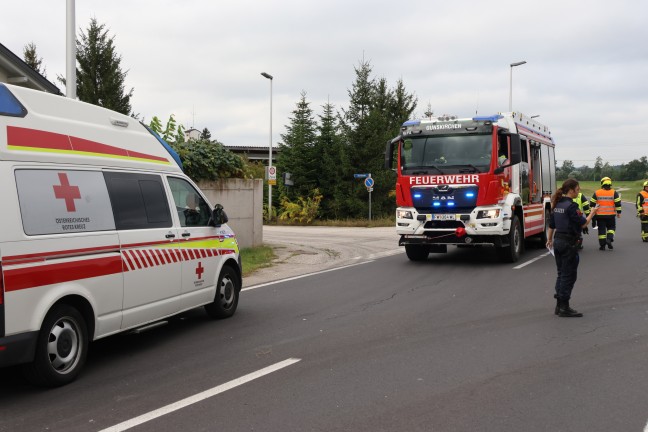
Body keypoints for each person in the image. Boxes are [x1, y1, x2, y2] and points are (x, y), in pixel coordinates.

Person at [546, 179, 598, 317]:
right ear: (571, 190)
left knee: (561, 273)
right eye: (577, 189)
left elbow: (552, 225)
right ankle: (564, 307)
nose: (578, 191)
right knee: (569, 275)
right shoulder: (571, 206)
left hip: (558, 241)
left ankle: (558, 306)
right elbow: (583, 224)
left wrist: (549, 239)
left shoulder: (557, 204)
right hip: (569, 242)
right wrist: (592, 213)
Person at [589, 177, 622, 250]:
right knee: (611, 228)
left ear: (602, 183)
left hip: (600, 216)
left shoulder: (597, 192)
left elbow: (591, 204)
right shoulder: (614, 192)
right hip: (611, 216)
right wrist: (619, 212)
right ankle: (609, 239)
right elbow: (618, 203)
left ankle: (602, 246)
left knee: (601, 230)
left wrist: (592, 214)